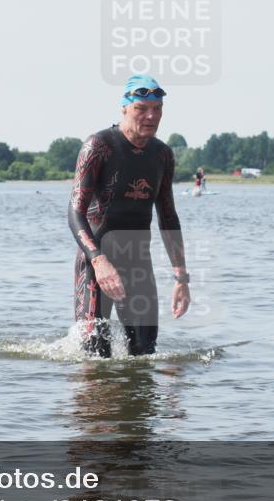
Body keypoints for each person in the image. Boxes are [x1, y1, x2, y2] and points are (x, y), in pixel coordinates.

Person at [69, 74, 190, 357]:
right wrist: (99, 261)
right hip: (96, 265)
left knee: (145, 353)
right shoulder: (98, 146)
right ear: (124, 107)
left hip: (138, 265)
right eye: (142, 108)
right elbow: (75, 212)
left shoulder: (162, 155)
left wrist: (181, 279)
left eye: (157, 108)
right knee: (96, 354)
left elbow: (168, 218)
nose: (151, 116)